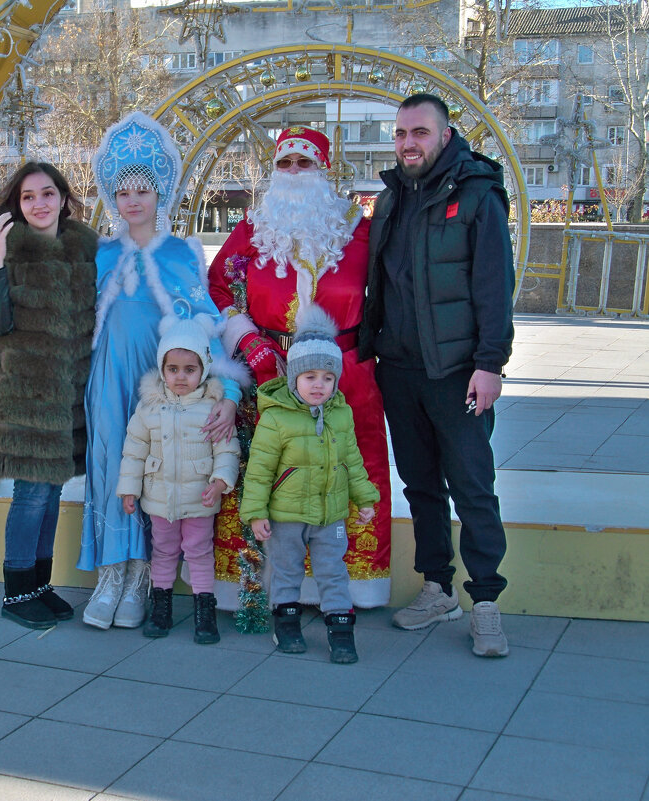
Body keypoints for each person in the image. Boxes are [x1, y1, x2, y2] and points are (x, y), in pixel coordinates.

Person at [208, 127, 390, 630]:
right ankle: (264, 585)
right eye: (284, 163)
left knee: (346, 468)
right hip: (269, 372)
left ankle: (345, 586)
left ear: (324, 171)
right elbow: (218, 287)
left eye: (303, 164)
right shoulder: (252, 230)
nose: (293, 173)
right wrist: (247, 340)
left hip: (347, 374)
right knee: (271, 470)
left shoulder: (359, 230)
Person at [358, 93, 514, 658]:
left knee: (472, 486)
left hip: (457, 373)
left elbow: (495, 287)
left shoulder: (476, 195)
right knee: (421, 485)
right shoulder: (391, 200)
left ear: (445, 136)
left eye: (419, 132)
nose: (408, 143)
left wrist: (490, 364)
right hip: (399, 370)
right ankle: (437, 588)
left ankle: (487, 602)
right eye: (401, 134)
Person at [79, 111, 246, 630]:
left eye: (143, 191)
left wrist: (225, 389)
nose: (133, 201)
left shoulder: (179, 253)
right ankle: (111, 573)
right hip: (109, 379)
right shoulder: (101, 253)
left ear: (159, 196)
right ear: (112, 197)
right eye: (123, 192)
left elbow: (206, 325)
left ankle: (144, 578)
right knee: (113, 466)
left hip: (162, 387)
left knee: (157, 466)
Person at [0, 162, 98, 629]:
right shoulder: (5, 250)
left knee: (52, 489)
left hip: (67, 394)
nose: (39, 204)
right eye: (28, 197)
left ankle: (40, 585)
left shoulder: (84, 247)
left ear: (63, 197)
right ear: (17, 205)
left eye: (47, 193)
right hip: (24, 393)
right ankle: (16, 591)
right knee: (31, 493)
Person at [241, 305, 379, 663]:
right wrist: (256, 512)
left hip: (329, 515)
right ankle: (286, 623)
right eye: (310, 377)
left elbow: (352, 460)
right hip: (286, 516)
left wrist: (365, 497)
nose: (319, 385)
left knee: (333, 570)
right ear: (294, 378)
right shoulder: (276, 418)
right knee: (286, 569)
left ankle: (340, 630)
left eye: (327, 378)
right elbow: (259, 470)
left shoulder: (340, 414)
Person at [116, 315, 240, 644]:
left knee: (199, 552)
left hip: (200, 498)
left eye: (190, 369)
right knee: (164, 552)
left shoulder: (212, 407)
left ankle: (204, 611)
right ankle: (161, 607)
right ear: (162, 369)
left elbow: (227, 451)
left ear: (203, 370)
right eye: (173, 369)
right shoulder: (149, 408)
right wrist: (129, 488)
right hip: (159, 498)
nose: (181, 377)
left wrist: (220, 482)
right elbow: (134, 450)